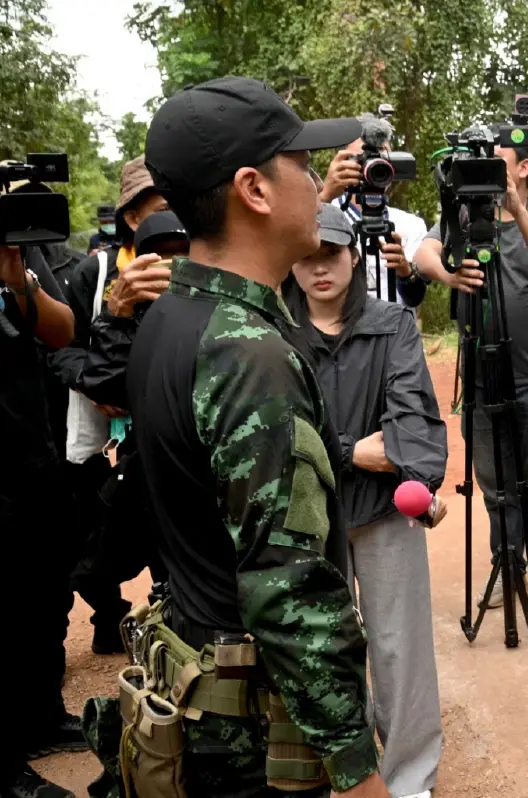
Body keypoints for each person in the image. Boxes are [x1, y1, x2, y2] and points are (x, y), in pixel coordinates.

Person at [123, 76, 386, 796]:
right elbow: (290, 595)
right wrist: (360, 771)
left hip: (199, 715)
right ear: (255, 190)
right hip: (250, 750)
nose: (317, 182)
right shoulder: (246, 353)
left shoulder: (171, 319)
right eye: (301, 165)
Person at [285, 205, 448, 798]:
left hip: (382, 513)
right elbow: (282, 430)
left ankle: (410, 780)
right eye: (307, 256)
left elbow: (411, 418)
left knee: (400, 651)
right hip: (308, 515)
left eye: (331, 254)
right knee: (321, 649)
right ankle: (339, 773)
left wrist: (418, 480)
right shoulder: (274, 331)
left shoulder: (393, 325)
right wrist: (354, 451)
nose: (319, 268)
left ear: (354, 255)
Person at [415, 135, 528, 614]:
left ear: (524, 168)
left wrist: (517, 210)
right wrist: (448, 276)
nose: (483, 173)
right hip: (483, 378)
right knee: (494, 483)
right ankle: (507, 566)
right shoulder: (461, 219)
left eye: (496, 165)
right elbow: (424, 253)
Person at [48, 154, 169, 654]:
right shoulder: (95, 275)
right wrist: (94, 385)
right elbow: (60, 350)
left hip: (173, 435)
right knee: (96, 543)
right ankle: (109, 615)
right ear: (133, 217)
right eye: (160, 210)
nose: (172, 221)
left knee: (173, 543)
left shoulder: (205, 267)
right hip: (111, 443)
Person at [0, 241, 80, 798]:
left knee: (44, 594)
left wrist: (17, 278)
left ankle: (41, 718)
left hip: (31, 453)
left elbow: (61, 331)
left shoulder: (14, 250)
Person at [320, 119, 429, 306]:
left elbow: (414, 300)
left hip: (394, 329)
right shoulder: (322, 214)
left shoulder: (412, 225)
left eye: (380, 159)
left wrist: (404, 269)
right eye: (361, 159)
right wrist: (325, 195)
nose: (371, 166)